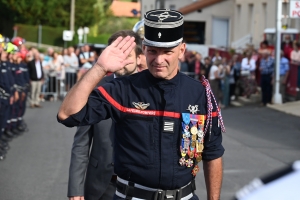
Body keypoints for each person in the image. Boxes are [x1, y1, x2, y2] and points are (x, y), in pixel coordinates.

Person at [58, 9, 225, 200]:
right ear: (144, 49)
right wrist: (99, 68)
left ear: (182, 50)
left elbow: (213, 153)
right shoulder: (123, 89)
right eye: (153, 51)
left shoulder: (200, 94)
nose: (159, 60)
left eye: (167, 52)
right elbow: (67, 114)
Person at [68, 30, 143, 200]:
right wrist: (75, 189)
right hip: (103, 185)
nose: (121, 60)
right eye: (117, 54)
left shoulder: (152, 91)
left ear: (139, 58)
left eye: (127, 54)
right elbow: (81, 143)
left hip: (142, 186)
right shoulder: (95, 90)